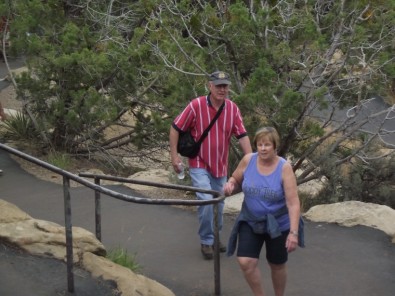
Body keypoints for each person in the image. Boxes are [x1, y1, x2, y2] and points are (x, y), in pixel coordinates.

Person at [169, 71, 252, 260]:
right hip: (199, 162)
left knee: (218, 205)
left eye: (225, 86)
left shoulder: (232, 109)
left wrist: (252, 160)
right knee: (206, 199)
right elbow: (175, 127)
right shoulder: (196, 105)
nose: (222, 89)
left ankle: (214, 236)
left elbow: (242, 135)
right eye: (218, 85)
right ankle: (206, 241)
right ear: (210, 86)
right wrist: (174, 156)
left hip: (220, 165)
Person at [223, 126, 304, 296]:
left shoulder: (284, 168)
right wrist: (231, 183)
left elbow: (293, 203)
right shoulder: (248, 160)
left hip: (278, 225)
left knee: (277, 264)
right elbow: (236, 177)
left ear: (275, 146)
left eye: (267, 145)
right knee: (245, 261)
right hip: (251, 220)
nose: (263, 148)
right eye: (259, 144)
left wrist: (293, 233)